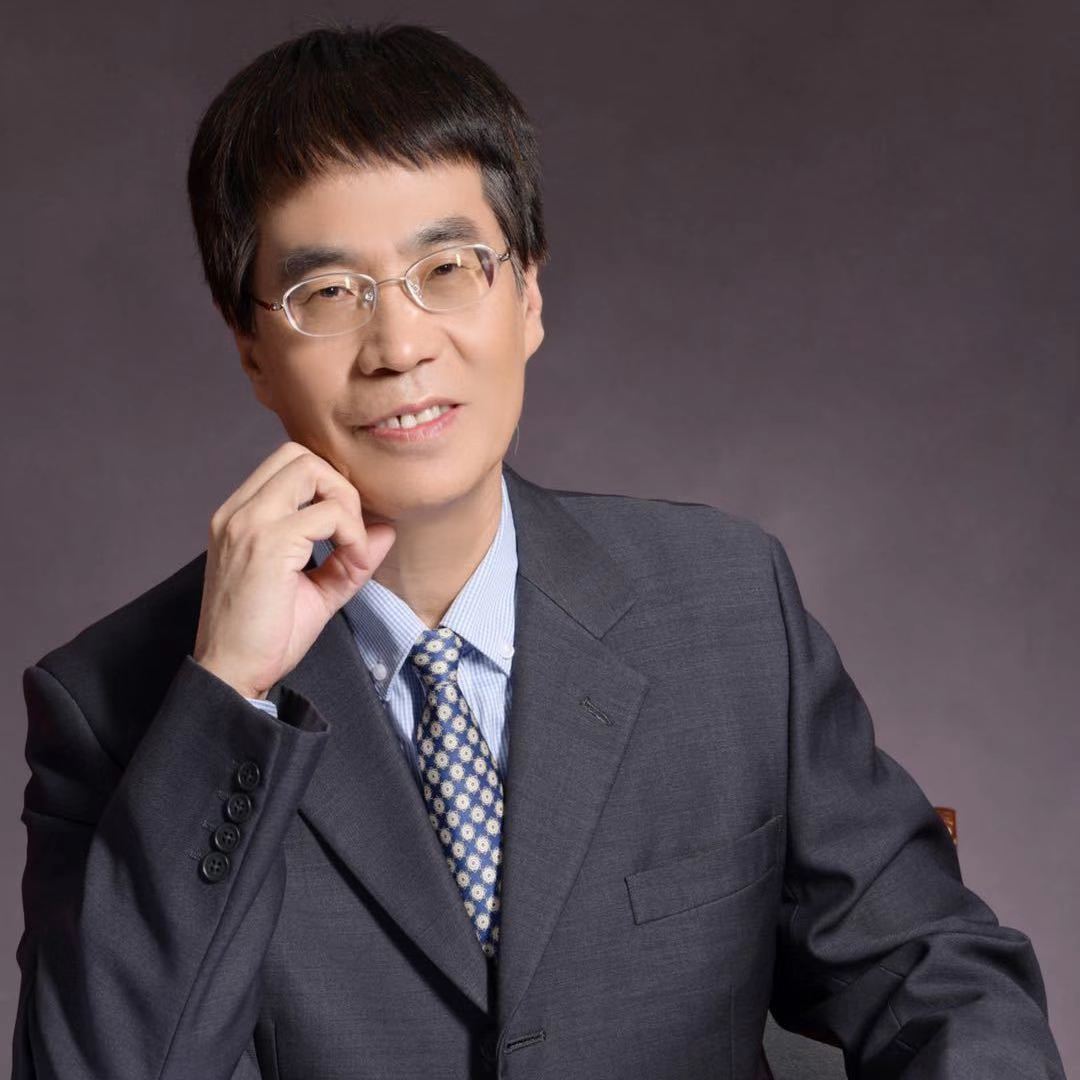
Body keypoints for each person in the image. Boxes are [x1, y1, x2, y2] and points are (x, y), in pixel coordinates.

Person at [11, 22, 1065, 1080]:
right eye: (329, 294)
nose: (400, 347)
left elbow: (936, 972)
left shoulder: (729, 608)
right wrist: (229, 695)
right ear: (250, 346)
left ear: (527, 296)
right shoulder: (113, 707)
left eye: (447, 268)